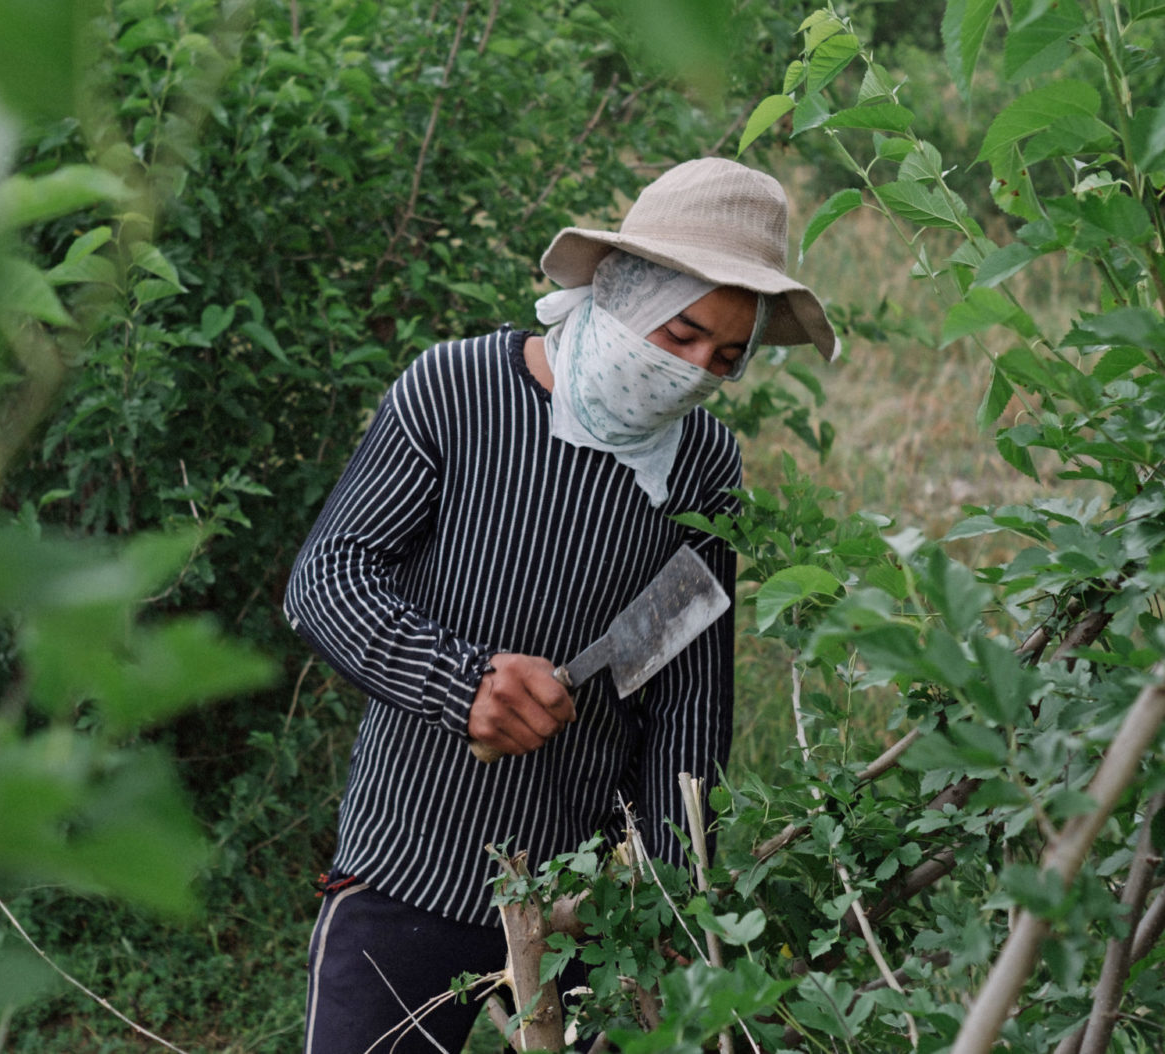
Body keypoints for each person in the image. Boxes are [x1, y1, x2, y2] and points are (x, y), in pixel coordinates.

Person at [284, 157, 837, 1054]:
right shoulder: (455, 393)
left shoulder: (702, 467)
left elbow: (686, 693)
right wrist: (462, 683)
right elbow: (328, 579)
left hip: (584, 895)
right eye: (682, 332)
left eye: (726, 358)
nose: (695, 371)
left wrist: (667, 894)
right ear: (620, 290)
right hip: (407, 864)